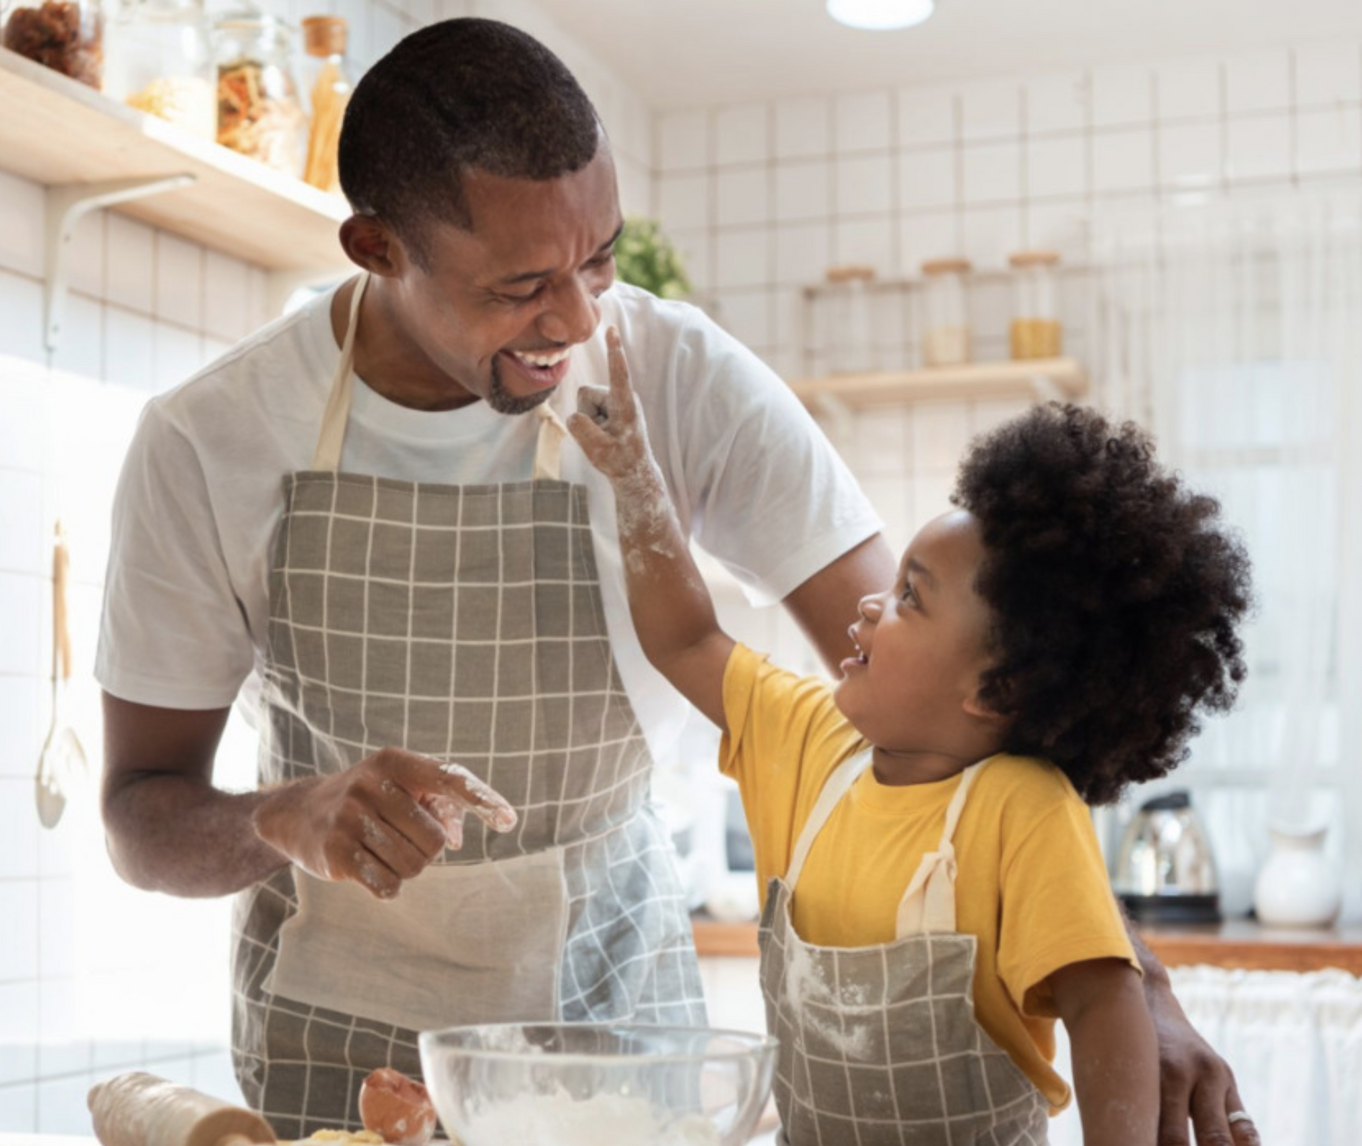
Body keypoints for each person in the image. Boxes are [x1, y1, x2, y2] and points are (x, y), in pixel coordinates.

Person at [93, 15, 1255, 1144]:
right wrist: (284, 816)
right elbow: (141, 819)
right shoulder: (210, 439)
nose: (576, 318)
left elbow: (974, 700)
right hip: (334, 1064)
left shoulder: (680, 377)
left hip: (619, 1054)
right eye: (520, 286)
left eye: (598, 260)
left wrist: (1126, 982)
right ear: (376, 248)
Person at [570, 349, 1255, 1145]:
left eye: (909, 596)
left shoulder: (1023, 811)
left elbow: (1104, 1002)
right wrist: (636, 483)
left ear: (994, 691)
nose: (869, 605)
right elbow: (686, 640)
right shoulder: (808, 739)